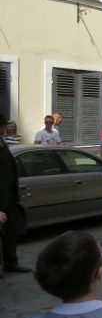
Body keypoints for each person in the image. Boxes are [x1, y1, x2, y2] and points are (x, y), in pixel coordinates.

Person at [0, 113, 30, 273]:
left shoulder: (3, 143)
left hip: (8, 197)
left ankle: (10, 261)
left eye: (4, 127)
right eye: (2, 127)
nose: (4, 130)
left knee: (10, 232)